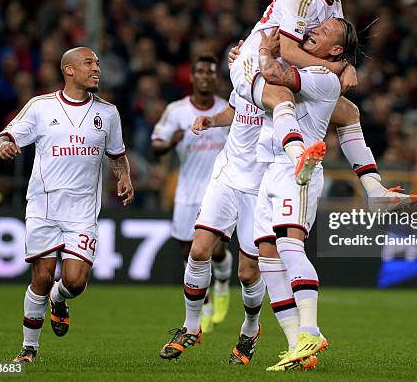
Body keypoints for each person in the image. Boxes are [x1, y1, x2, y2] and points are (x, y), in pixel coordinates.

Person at [229, 0, 417, 209]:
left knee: (349, 112)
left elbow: (336, 48)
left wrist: (349, 64)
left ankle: (374, 188)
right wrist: (338, 68)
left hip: (283, 71)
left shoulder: (334, 5)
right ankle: (299, 161)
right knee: (283, 96)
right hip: (255, 64)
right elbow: (290, 51)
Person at [0, 47, 134, 363]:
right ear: (68, 70)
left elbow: (117, 155)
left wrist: (124, 176)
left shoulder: (108, 113)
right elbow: (5, 137)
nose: (96, 68)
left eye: (97, 63)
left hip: (83, 211)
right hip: (44, 207)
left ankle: (60, 299)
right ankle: (29, 349)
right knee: (41, 278)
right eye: (89, 63)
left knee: (74, 281)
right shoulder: (41, 107)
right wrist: (4, 145)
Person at [253, 24, 356, 371]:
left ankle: (311, 330)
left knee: (288, 247)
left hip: (300, 169)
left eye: (325, 29)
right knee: (267, 256)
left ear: (336, 51)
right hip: (271, 168)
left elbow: (270, 73)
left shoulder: (323, 79)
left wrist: (264, 51)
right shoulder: (307, 69)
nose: (315, 28)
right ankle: (297, 347)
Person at [159, 91, 267, 365]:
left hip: (260, 185)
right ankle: (191, 326)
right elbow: (233, 110)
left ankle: (250, 330)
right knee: (198, 250)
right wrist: (212, 120)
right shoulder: (245, 63)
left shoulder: (286, 75)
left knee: (247, 272)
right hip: (226, 177)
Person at [151, 54, 231, 330]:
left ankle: (221, 282)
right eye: (200, 72)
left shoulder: (226, 110)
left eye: (211, 72)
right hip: (186, 191)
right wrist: (170, 141)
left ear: (215, 77)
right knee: (190, 251)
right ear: (193, 77)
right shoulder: (177, 111)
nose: (206, 76)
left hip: (218, 190)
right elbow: (156, 144)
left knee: (215, 249)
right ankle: (205, 302)